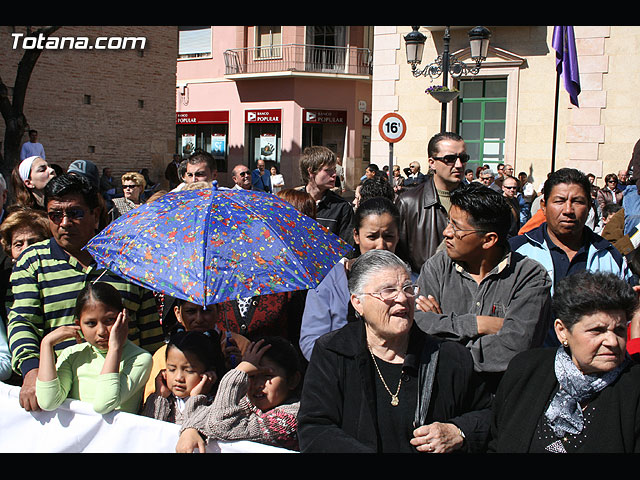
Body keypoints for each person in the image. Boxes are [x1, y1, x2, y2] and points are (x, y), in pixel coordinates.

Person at [297, 249, 493, 453]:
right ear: (358, 302)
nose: (402, 298)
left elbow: (488, 415)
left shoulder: (449, 357)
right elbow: (315, 429)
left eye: (408, 288)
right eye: (388, 290)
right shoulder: (333, 353)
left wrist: (458, 431)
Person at [7, 173, 164, 412]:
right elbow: (22, 323)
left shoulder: (127, 260)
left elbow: (150, 332)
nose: (64, 222)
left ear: (95, 214)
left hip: (122, 399)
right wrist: (32, 370)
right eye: (55, 215)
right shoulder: (33, 262)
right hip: (56, 400)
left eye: (75, 213)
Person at [413, 183, 552, 392]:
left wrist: (442, 345)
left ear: (488, 240)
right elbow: (417, 323)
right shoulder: (438, 266)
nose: (446, 232)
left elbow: (515, 347)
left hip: (502, 396)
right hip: (442, 394)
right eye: (449, 222)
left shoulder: (530, 277)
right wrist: (477, 324)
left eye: (457, 227)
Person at [489, 271, 640, 453]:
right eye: (597, 331)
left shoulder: (634, 387)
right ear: (562, 331)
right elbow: (497, 440)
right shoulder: (527, 369)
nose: (613, 342)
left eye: (620, 330)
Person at [509, 167, 633, 346]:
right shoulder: (517, 251)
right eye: (559, 201)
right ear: (543, 206)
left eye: (577, 201)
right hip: (532, 361)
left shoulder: (609, 255)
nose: (568, 210)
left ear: (590, 207)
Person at [299, 196, 401, 361]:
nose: (381, 246)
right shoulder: (331, 280)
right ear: (356, 235)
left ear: (398, 236)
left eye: (388, 237)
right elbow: (311, 343)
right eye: (372, 237)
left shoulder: (408, 284)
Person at [35, 282, 153, 414]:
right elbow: (48, 402)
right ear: (78, 323)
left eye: (109, 320)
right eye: (91, 323)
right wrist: (46, 344)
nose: (101, 331)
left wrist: (115, 348)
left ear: (124, 318)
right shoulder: (72, 354)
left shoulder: (139, 359)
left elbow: (103, 404)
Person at [176, 336, 303, 452]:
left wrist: (238, 371)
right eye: (252, 376)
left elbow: (221, 426)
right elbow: (193, 419)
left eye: (268, 376)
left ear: (293, 380)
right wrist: (191, 427)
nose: (258, 385)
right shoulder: (248, 403)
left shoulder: (289, 418)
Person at [146, 299, 249, 401]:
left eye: (206, 311)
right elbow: (152, 400)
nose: (199, 319)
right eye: (191, 311)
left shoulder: (239, 345)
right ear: (178, 313)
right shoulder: (163, 354)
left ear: (218, 311)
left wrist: (235, 369)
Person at [395, 132, 467, 275]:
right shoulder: (408, 202)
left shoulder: (476, 201)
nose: (458, 165)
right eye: (450, 159)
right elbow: (398, 256)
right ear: (432, 162)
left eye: (463, 158)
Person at [141, 329, 226, 424]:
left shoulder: (218, 405)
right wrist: (159, 396)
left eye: (189, 371)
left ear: (209, 373)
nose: (179, 378)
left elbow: (193, 433)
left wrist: (196, 399)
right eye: (172, 369)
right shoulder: (160, 400)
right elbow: (148, 431)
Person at [299, 146, 354, 244]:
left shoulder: (341, 207)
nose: (334, 174)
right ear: (311, 171)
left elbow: (347, 247)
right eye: (328, 170)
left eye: (334, 169)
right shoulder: (293, 202)